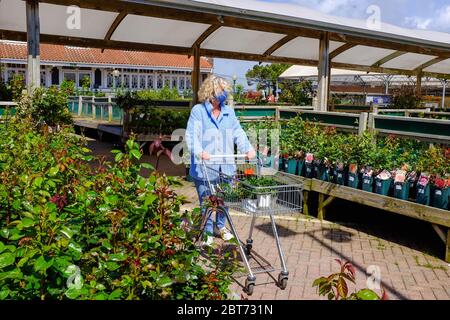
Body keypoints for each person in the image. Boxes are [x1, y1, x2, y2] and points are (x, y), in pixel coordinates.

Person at [186, 75, 256, 247]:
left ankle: (221, 226)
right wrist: (199, 151)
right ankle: (207, 230)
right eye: (221, 90)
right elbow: (191, 136)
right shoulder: (198, 111)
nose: (224, 94)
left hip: (225, 166)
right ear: (211, 91)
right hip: (205, 167)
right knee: (208, 201)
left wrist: (247, 148)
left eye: (225, 91)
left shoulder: (229, 112)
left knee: (225, 198)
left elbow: (238, 132)